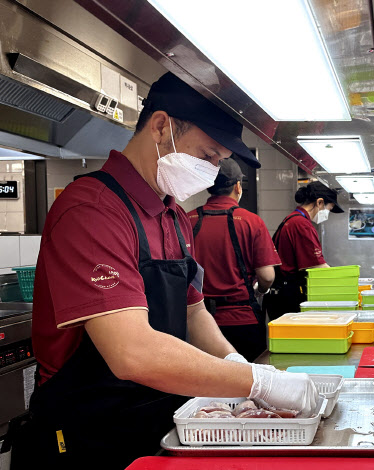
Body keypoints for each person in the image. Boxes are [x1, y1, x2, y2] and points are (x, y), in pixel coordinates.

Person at [9, 73, 317, 470]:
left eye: (218, 162)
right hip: (88, 432)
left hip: (155, 418)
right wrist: (261, 382)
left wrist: (236, 362)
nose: (210, 171)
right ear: (161, 127)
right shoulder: (92, 210)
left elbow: (193, 312)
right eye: (207, 156)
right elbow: (131, 352)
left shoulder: (171, 212)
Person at [188, 158, 280, 361]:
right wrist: (261, 291)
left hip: (196, 324)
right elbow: (267, 276)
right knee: (246, 384)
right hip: (241, 321)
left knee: (205, 386)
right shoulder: (251, 221)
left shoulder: (187, 219)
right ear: (238, 186)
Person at [264, 181, 343, 319]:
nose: (327, 214)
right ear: (319, 202)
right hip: (288, 296)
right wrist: (344, 283)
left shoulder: (292, 219)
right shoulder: (301, 224)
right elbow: (319, 266)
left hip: (281, 295)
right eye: (328, 209)